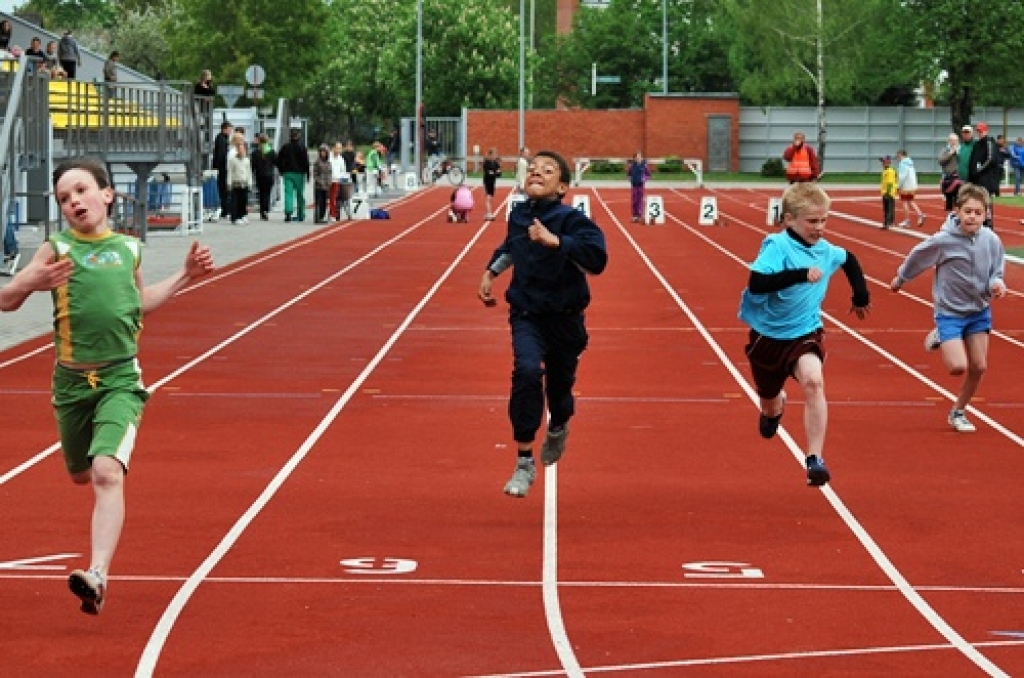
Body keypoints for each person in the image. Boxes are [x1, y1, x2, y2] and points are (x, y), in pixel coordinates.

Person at [0, 158, 214, 615]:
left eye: (81, 190)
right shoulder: (56, 248)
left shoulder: (129, 249)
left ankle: (97, 574)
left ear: (107, 195)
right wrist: (28, 281)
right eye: (64, 198)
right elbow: (6, 302)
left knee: (105, 472)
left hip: (119, 378)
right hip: (71, 383)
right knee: (80, 473)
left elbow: (138, 302)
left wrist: (184, 276)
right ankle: (96, 562)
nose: (74, 201)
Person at [477, 150, 608, 498]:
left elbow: (598, 260)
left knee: (559, 394)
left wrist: (557, 241)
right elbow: (511, 247)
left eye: (547, 171)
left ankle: (559, 425)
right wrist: (491, 272)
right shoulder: (518, 214)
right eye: (532, 169)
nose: (536, 173)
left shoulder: (572, 219)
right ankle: (524, 462)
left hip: (565, 319)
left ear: (562, 187)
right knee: (527, 371)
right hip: (527, 314)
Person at [738, 182, 870, 487]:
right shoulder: (776, 246)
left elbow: (849, 259)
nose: (820, 227)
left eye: (824, 220)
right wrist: (800, 274)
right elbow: (757, 283)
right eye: (812, 221)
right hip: (768, 337)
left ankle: (815, 459)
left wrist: (860, 294)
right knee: (769, 400)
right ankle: (774, 410)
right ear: (789, 219)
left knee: (813, 381)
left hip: (805, 331)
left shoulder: (826, 250)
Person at [890, 183, 1006, 433]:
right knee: (957, 367)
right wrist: (901, 279)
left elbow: (996, 271)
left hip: (979, 310)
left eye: (978, 212)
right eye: (968, 211)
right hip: (950, 312)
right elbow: (918, 257)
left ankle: (958, 411)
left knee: (979, 366)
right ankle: (941, 334)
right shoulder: (943, 241)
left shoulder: (991, 240)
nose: (972, 217)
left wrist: (997, 284)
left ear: (986, 214)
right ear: (957, 212)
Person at [968, 122, 1002, 227]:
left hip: (987, 179)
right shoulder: (977, 144)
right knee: (978, 200)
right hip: (978, 179)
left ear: (986, 131)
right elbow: (973, 161)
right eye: (978, 131)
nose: (979, 133)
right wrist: (972, 175)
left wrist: (979, 171)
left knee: (986, 200)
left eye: (981, 131)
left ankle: (988, 222)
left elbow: (990, 159)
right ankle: (981, 221)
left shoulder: (989, 143)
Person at [276, 129, 310, 222]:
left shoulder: (285, 147)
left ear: (290, 137)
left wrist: (282, 170)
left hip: (288, 173)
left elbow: (278, 159)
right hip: (299, 174)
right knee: (300, 194)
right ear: (298, 137)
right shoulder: (302, 147)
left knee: (288, 193)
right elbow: (306, 162)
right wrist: (308, 174)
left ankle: (288, 213)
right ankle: (301, 214)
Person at [895, 149, 925, 228]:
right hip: (912, 185)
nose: (897, 157)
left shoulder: (903, 164)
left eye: (898, 156)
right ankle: (920, 214)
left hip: (906, 186)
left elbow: (902, 176)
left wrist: (898, 186)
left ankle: (907, 220)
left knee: (905, 202)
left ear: (901, 155)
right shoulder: (910, 163)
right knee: (911, 201)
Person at [250, 133, 276, 220]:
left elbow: (252, 166)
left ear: (259, 141)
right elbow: (276, 162)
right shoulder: (271, 152)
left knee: (261, 193)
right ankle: (265, 210)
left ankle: (262, 211)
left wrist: (251, 174)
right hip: (269, 175)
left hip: (259, 176)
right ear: (267, 141)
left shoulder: (255, 153)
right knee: (267, 193)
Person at [227, 137, 252, 225]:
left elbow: (249, 172)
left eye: (243, 148)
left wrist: (250, 182)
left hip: (244, 183)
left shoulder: (247, 160)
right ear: (237, 150)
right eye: (240, 148)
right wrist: (229, 183)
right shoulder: (233, 160)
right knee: (235, 201)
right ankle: (235, 217)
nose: (242, 150)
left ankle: (242, 215)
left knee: (243, 201)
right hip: (235, 183)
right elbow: (230, 172)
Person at [212, 120, 233, 221]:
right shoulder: (222, 140)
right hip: (223, 169)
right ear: (224, 129)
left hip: (221, 168)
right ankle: (226, 210)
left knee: (224, 190)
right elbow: (221, 155)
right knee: (224, 190)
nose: (230, 131)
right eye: (229, 129)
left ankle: (225, 210)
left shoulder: (221, 138)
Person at [938, 132, 962, 212]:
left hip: (958, 177)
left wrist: (958, 153)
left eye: (955, 140)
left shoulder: (961, 149)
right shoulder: (945, 150)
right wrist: (950, 153)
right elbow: (941, 161)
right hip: (948, 177)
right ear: (949, 141)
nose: (954, 142)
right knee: (949, 199)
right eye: (952, 140)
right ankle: (950, 216)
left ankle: (957, 215)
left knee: (958, 199)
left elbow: (964, 161)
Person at [627, 151, 652, 223]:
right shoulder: (631, 166)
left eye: (640, 157)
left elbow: (648, 175)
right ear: (634, 158)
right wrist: (630, 179)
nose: (638, 158)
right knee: (634, 200)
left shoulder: (644, 166)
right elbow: (628, 174)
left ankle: (640, 215)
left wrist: (645, 179)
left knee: (640, 200)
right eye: (637, 157)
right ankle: (634, 215)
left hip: (641, 186)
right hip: (634, 185)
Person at [328, 142, 350, 221]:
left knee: (334, 198)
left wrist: (341, 177)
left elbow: (343, 171)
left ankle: (333, 214)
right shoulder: (328, 157)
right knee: (329, 198)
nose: (339, 150)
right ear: (333, 148)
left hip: (336, 181)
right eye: (337, 148)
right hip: (327, 181)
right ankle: (330, 213)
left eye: (340, 148)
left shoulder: (341, 159)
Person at [313, 144, 333, 223]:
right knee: (318, 202)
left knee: (324, 203)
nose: (323, 153)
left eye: (324, 152)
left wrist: (329, 182)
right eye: (321, 151)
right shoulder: (317, 162)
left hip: (326, 186)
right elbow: (315, 174)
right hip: (319, 186)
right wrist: (319, 181)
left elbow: (330, 173)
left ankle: (321, 217)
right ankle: (317, 217)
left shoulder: (328, 163)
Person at [482, 147, 501, 220]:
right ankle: (489, 213)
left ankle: (488, 213)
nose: (495, 156)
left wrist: (495, 173)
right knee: (488, 198)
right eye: (494, 155)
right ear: (491, 155)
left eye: (496, 155)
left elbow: (499, 174)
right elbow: (488, 173)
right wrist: (495, 173)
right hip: (487, 182)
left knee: (490, 198)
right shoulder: (486, 163)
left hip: (492, 182)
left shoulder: (495, 163)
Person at [879, 155, 897, 229]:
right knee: (886, 208)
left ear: (888, 162)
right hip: (885, 192)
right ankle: (889, 222)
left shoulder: (890, 171)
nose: (882, 163)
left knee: (889, 208)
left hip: (889, 192)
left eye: (884, 161)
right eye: (882, 162)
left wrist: (887, 192)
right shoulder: (885, 170)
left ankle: (888, 223)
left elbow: (890, 183)